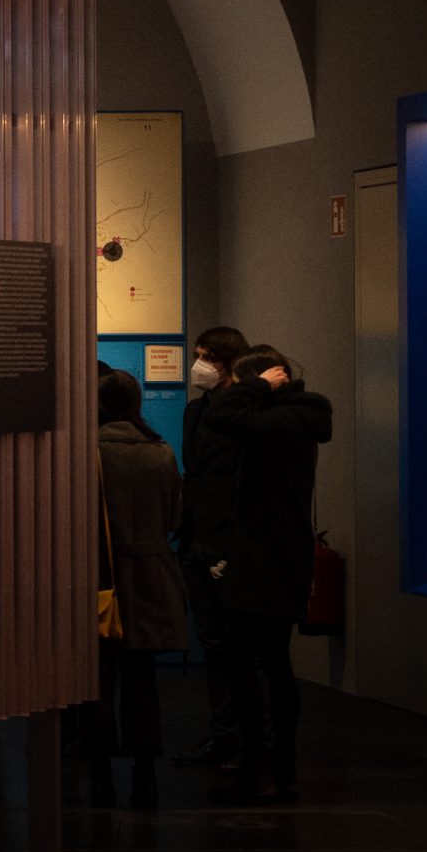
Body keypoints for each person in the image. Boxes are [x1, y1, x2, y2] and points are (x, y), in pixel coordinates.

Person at [197, 346, 332, 802]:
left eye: (240, 380)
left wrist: (256, 386)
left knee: (257, 663)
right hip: (275, 557)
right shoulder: (294, 418)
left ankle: (267, 764)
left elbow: (222, 417)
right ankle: (275, 763)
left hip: (266, 560)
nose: (233, 388)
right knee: (269, 662)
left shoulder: (284, 420)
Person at [91, 366, 191, 808]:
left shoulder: (88, 453)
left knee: (96, 679)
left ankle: (99, 776)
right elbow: (174, 518)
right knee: (142, 681)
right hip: (150, 576)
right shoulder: (161, 452)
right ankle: (145, 773)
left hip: (100, 577)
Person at [174, 325, 249, 770]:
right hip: (198, 538)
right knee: (213, 642)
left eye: (206, 356)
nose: (198, 364)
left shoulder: (243, 414)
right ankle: (225, 734)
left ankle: (244, 737)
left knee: (237, 644)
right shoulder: (194, 411)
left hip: (226, 540)